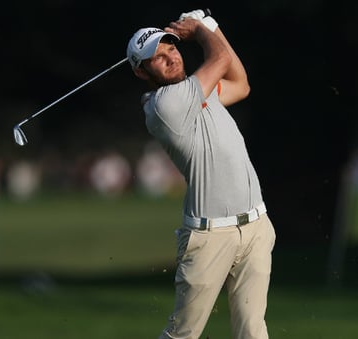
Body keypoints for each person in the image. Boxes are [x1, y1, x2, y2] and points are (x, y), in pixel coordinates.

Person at [127, 9, 276, 339]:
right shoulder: (165, 106)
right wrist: (202, 28)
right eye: (157, 57)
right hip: (209, 238)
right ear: (141, 72)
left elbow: (241, 83)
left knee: (253, 331)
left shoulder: (200, 92)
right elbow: (220, 58)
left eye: (172, 48)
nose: (170, 58)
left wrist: (212, 26)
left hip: (254, 227)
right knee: (184, 333)